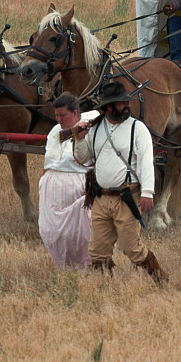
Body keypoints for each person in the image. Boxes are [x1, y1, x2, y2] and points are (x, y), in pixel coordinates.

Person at [73, 82, 166, 283]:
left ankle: (160, 280)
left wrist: (148, 192)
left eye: (126, 102)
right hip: (101, 197)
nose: (127, 106)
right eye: (121, 103)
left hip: (127, 197)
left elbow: (146, 162)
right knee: (98, 252)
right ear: (108, 107)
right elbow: (84, 158)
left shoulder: (137, 128)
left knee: (133, 250)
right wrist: (80, 139)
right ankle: (104, 287)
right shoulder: (96, 129)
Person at [38, 93, 99, 269]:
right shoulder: (55, 131)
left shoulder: (91, 127)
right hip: (52, 188)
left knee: (80, 233)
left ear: (75, 113)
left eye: (62, 115)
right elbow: (49, 161)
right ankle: (65, 266)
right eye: (56, 115)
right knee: (50, 231)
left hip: (78, 186)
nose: (59, 119)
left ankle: (85, 267)